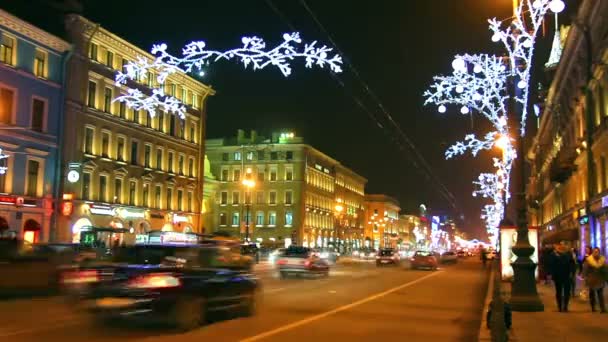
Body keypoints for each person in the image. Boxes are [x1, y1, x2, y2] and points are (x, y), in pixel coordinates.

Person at [548, 241, 577, 312]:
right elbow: (551, 265)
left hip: (567, 275)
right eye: (560, 244)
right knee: (559, 292)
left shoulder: (568, 253)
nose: (562, 246)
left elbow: (572, 264)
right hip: (558, 276)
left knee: (567, 292)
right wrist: (552, 274)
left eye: (564, 244)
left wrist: (572, 273)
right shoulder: (554, 254)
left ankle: (565, 306)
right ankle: (560, 307)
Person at [583, 247, 606, 313]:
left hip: (600, 278)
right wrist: (584, 276)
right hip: (591, 279)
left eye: (597, 251)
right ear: (593, 252)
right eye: (595, 251)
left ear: (599, 252)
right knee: (592, 294)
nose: (596, 253)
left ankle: (603, 308)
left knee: (600, 294)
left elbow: (605, 269)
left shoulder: (602, 260)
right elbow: (585, 269)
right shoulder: (589, 260)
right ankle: (593, 307)